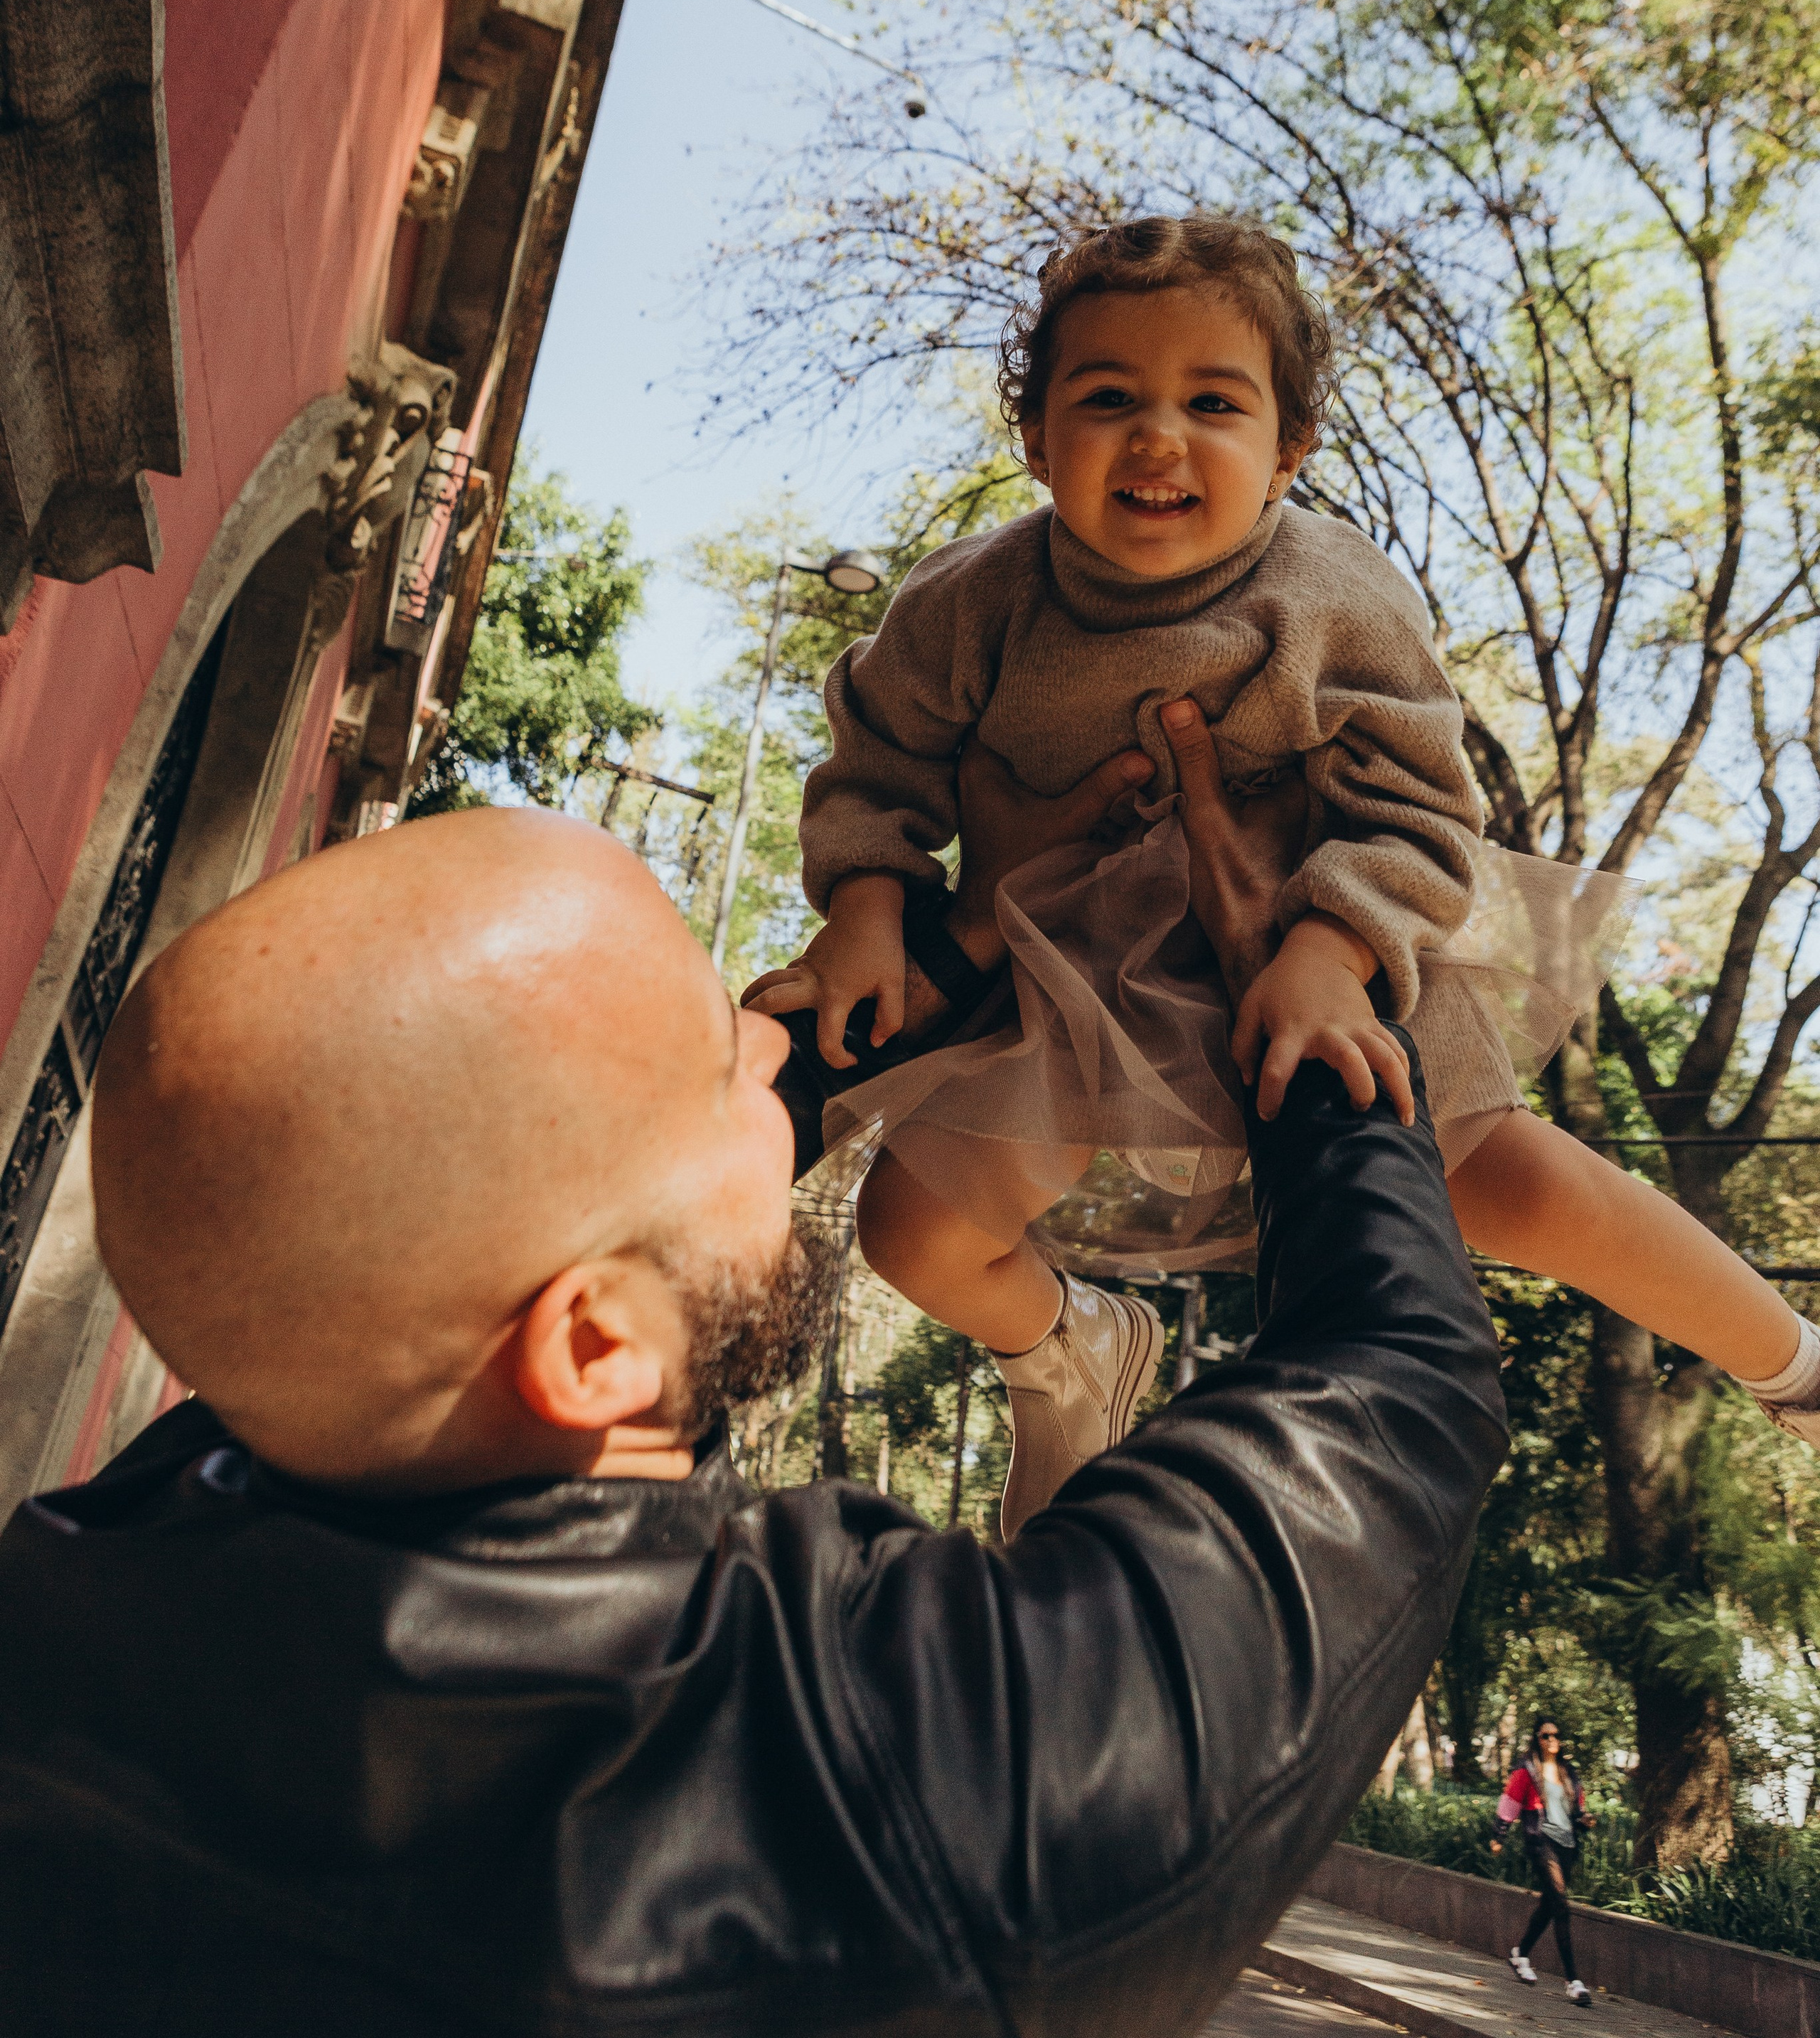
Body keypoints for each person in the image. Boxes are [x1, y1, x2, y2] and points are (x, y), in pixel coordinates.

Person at [0, 756, 1506, 2033]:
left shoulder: (88, 1590)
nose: (778, 1046)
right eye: (729, 1062)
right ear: (593, 1352)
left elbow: (548, 1249)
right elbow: (1393, 1386)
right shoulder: (913, 1804)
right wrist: (1308, 1024)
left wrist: (965, 939)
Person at [749, 215, 1820, 1540]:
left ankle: (1797, 1363)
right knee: (911, 1230)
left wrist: (1332, 950)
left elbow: (1422, 801)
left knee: (1515, 1185)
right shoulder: (971, 602)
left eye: (1213, 401)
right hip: (1072, 973)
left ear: (1287, 450)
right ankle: (1066, 1351)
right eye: (1107, 398)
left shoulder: (1332, 592)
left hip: (1317, 944)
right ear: (1035, 441)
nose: (1158, 436)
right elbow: (880, 756)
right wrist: (863, 902)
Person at [1494, 1717, 1595, 2006]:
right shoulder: (1527, 1770)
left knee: (1549, 1904)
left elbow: (1576, 1809)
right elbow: (1510, 1802)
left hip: (1567, 1845)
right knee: (1561, 1903)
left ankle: (1520, 1953)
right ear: (1537, 1739)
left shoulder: (1568, 1772)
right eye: (1545, 1735)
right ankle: (1574, 1981)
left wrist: (1584, 1819)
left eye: (1555, 1735)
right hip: (1541, 1842)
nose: (1551, 1740)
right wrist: (1498, 1835)